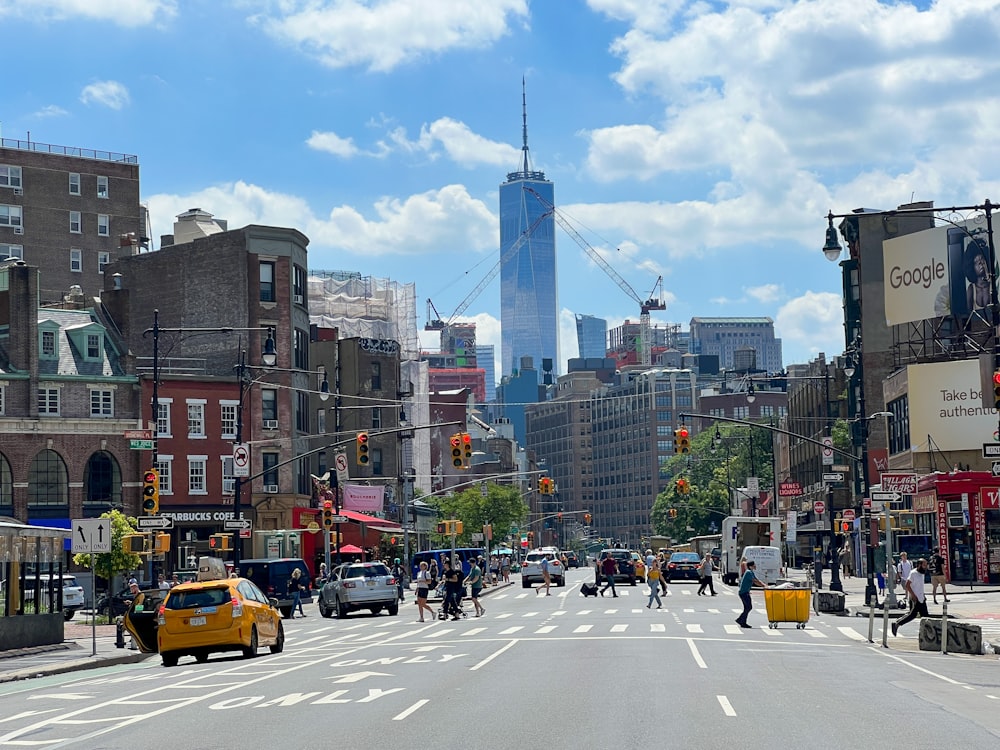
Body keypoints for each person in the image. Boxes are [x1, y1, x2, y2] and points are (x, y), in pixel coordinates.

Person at [892, 558, 930, 637]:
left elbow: (920, 586)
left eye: (926, 565)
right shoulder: (913, 573)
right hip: (915, 599)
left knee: (925, 616)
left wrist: (923, 595)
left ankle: (926, 635)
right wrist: (913, 595)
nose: (926, 567)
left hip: (921, 597)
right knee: (912, 615)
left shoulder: (922, 573)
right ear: (919, 565)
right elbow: (907, 585)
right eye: (924, 565)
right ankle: (897, 624)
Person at [735, 560, 766, 628]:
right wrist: (763, 585)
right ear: (751, 566)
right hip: (744, 592)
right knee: (749, 607)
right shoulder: (749, 572)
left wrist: (763, 585)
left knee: (747, 607)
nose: (755, 566)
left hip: (744, 592)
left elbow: (756, 580)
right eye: (754, 565)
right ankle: (740, 620)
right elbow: (755, 581)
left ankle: (742, 621)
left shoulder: (750, 572)